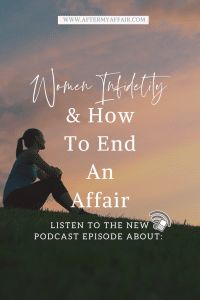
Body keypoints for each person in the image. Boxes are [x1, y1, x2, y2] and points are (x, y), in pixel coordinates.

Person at [3, 128, 88, 214]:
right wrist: (56, 171)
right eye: (42, 137)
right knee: (53, 181)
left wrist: (54, 175)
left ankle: (75, 211)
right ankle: (76, 211)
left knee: (53, 181)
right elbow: (52, 173)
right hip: (13, 198)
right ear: (37, 138)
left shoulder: (33, 161)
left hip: (17, 198)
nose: (45, 140)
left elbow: (45, 178)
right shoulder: (31, 154)